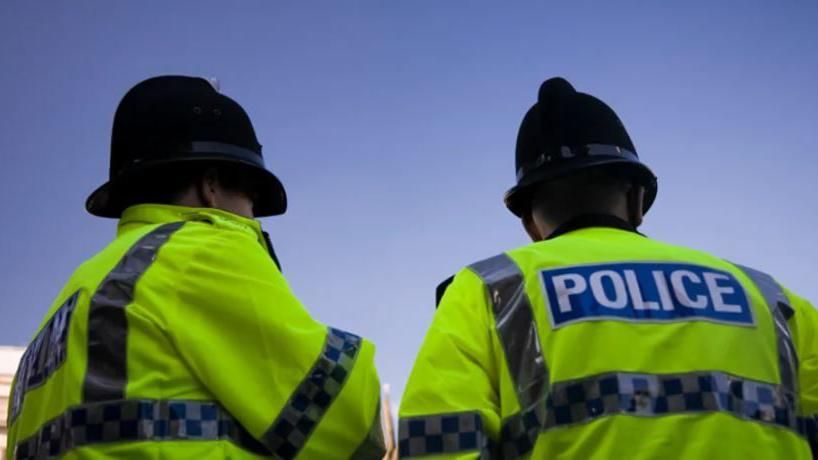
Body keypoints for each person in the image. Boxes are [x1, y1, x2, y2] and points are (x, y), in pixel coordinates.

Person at [398, 77, 818, 459]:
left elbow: (438, 444)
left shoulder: (488, 290)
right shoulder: (772, 299)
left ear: (529, 222)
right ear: (637, 199)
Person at [6, 76, 385, 459]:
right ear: (212, 186)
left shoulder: (68, 305)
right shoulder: (198, 251)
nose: (254, 216)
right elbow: (346, 423)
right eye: (252, 198)